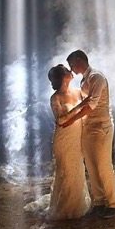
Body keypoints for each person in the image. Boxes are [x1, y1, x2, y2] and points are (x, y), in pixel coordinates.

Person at [64, 50, 115, 218]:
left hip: (101, 126)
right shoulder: (84, 80)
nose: (72, 69)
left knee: (103, 166)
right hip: (88, 127)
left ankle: (113, 204)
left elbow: (91, 105)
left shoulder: (97, 77)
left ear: (80, 60)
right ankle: (100, 201)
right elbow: (84, 103)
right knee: (91, 166)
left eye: (72, 65)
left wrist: (71, 119)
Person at [46, 64, 91, 220]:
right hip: (64, 139)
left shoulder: (78, 91)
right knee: (65, 172)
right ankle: (64, 209)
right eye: (67, 70)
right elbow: (60, 120)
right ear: (62, 77)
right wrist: (80, 105)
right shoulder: (55, 98)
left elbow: (90, 105)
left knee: (77, 170)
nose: (70, 71)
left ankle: (78, 206)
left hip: (77, 137)